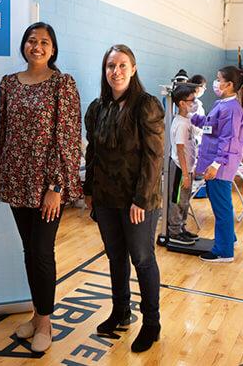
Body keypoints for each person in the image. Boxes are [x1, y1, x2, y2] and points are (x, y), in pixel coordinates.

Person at [0, 22, 82, 353]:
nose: (37, 46)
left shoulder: (63, 84)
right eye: (32, 41)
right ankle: (35, 315)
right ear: (24, 45)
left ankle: (46, 323)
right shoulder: (9, 84)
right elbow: (3, 131)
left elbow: (69, 137)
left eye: (44, 42)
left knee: (42, 251)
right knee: (29, 250)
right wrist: (2, 173)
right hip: (17, 179)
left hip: (47, 183)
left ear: (53, 49)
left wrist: (57, 185)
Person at [84, 44, 164, 353]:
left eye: (121, 65)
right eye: (110, 66)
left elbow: (154, 157)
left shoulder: (146, 105)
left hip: (138, 201)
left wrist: (141, 200)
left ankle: (151, 324)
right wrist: (89, 190)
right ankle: (121, 312)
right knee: (115, 258)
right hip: (106, 199)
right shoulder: (97, 108)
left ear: (133, 69)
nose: (115, 71)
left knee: (142, 259)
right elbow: (93, 153)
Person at [191, 66, 243, 263]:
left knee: (221, 207)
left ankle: (223, 252)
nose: (215, 82)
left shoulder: (231, 109)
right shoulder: (222, 104)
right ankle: (229, 239)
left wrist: (216, 164)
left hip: (220, 165)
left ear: (229, 84)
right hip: (216, 161)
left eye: (218, 79)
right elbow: (210, 125)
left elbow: (228, 139)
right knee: (224, 204)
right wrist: (191, 115)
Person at [167, 84, 200, 245]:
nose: (195, 103)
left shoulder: (188, 120)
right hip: (180, 169)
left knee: (185, 201)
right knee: (177, 200)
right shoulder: (180, 123)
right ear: (181, 103)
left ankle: (182, 228)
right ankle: (174, 231)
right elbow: (180, 150)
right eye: (192, 100)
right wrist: (185, 174)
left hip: (188, 168)